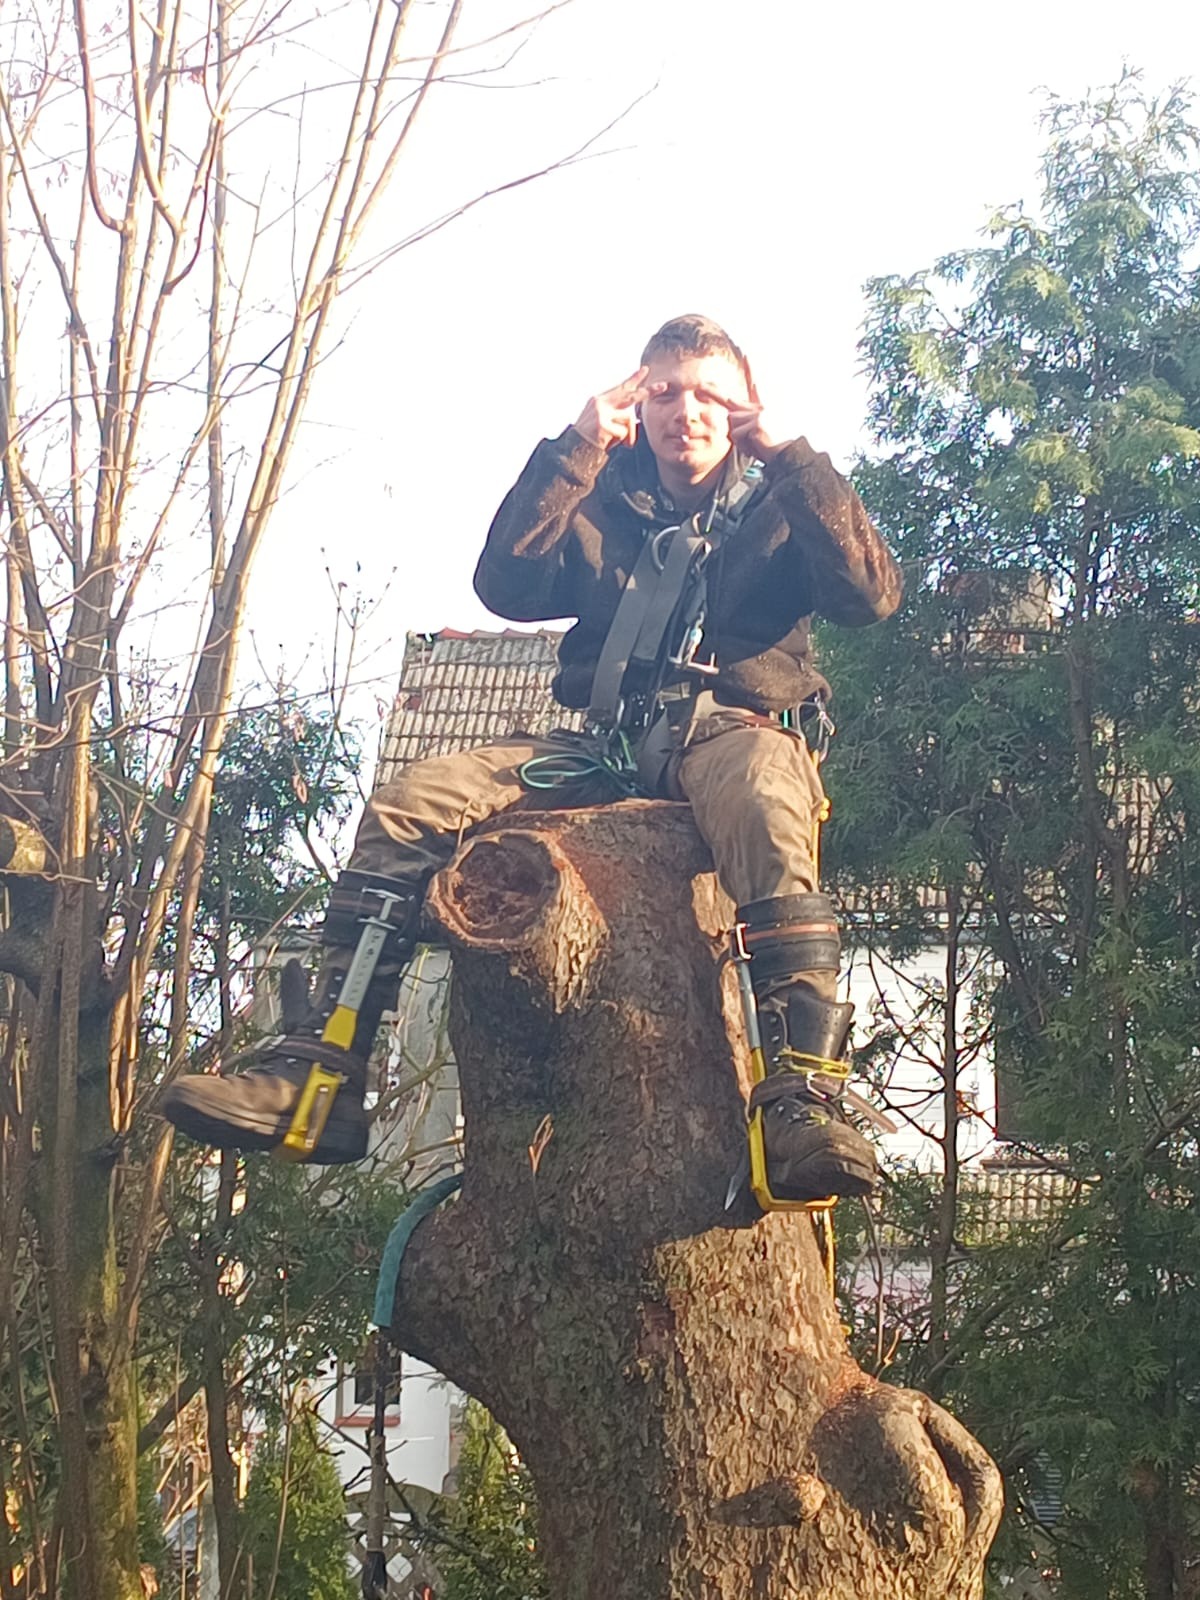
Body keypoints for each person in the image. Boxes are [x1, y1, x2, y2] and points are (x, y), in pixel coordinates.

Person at [164, 314, 902, 1200]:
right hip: (603, 741)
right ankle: (320, 1077)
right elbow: (506, 584)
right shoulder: (604, 492)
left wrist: (794, 459)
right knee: (411, 801)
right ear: (638, 400)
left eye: (710, 393)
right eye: (664, 391)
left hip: (730, 728)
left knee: (765, 799)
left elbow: (870, 597)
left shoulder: (787, 501)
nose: (686, 411)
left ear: (742, 407)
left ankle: (802, 1103)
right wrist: (577, 448)